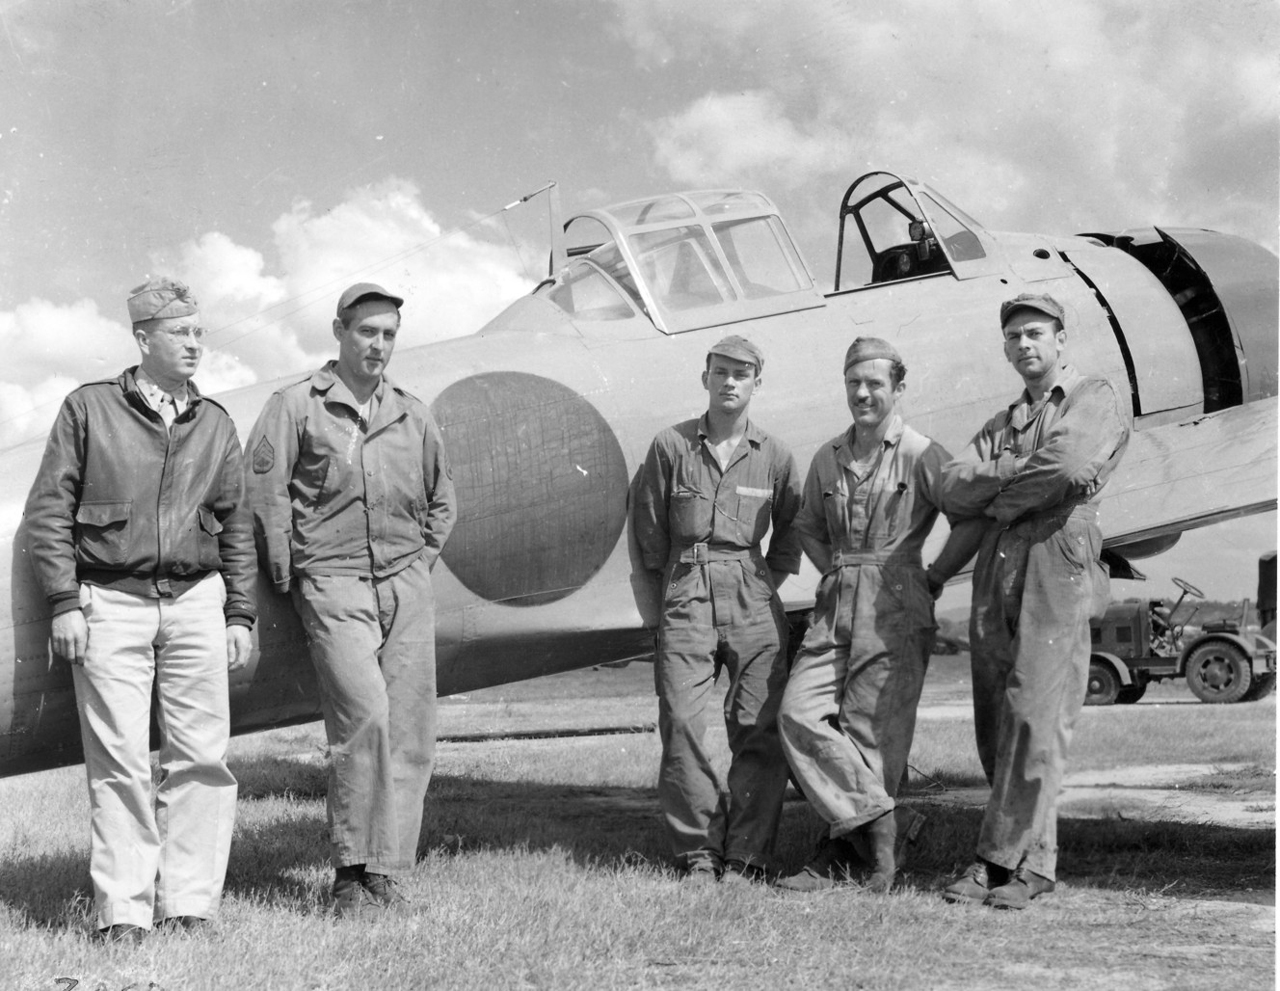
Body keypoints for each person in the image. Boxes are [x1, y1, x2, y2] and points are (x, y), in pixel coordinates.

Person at [23, 277, 256, 942]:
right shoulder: (88, 408)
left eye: (199, 331)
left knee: (202, 758)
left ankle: (190, 906)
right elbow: (48, 512)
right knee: (119, 762)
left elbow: (236, 526)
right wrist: (64, 601)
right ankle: (124, 913)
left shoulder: (215, 422)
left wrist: (239, 614)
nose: (195, 344)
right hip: (110, 602)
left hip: (195, 602)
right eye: (180, 332)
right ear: (143, 338)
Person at [244, 282, 456, 918]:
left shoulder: (412, 413)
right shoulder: (295, 406)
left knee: (411, 729)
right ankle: (349, 876)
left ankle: (386, 873)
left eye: (389, 335)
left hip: (404, 582)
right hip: (333, 581)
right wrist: (294, 574)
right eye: (367, 332)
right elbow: (264, 497)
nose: (378, 345)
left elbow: (442, 500)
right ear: (339, 331)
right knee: (365, 720)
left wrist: (417, 566)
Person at [939, 293, 1129, 909]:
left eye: (1036, 332)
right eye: (1014, 336)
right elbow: (950, 484)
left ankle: (996, 862)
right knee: (996, 713)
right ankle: (1031, 862)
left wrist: (996, 494)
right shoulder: (1005, 420)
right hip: (999, 559)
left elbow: (1069, 466)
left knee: (1034, 714)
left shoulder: (1093, 396)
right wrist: (1012, 475)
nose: (1024, 344)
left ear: (1061, 339)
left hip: (1058, 552)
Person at [775, 338, 983, 894]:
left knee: (871, 733)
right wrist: (836, 566)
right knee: (797, 713)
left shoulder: (921, 453)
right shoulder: (828, 456)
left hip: (896, 597)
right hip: (837, 597)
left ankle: (847, 855)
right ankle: (889, 822)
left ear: (898, 388)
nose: (862, 393)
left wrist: (934, 576)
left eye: (874, 383)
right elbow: (807, 525)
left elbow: (970, 516)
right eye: (853, 383)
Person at [631, 335, 802, 883]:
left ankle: (747, 855)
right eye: (721, 371)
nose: (730, 382)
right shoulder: (670, 446)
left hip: (753, 591)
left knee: (758, 725)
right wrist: (667, 604)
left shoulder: (775, 455)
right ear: (705, 377)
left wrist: (759, 583)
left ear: (757, 383)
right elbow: (649, 534)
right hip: (686, 589)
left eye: (742, 373)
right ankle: (700, 852)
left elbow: (792, 534)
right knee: (681, 721)